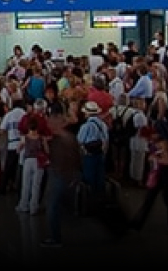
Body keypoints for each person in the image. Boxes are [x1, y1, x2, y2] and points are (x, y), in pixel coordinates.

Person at [41, 112, 82, 248]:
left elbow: (58, 159)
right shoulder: (69, 138)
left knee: (52, 206)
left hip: (59, 176)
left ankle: (55, 238)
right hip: (68, 176)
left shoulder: (60, 141)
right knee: (62, 205)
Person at [77, 100, 109, 194]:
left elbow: (79, 141)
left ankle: (89, 197)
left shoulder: (85, 126)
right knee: (99, 176)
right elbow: (106, 140)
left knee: (89, 177)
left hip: (89, 155)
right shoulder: (103, 125)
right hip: (100, 153)